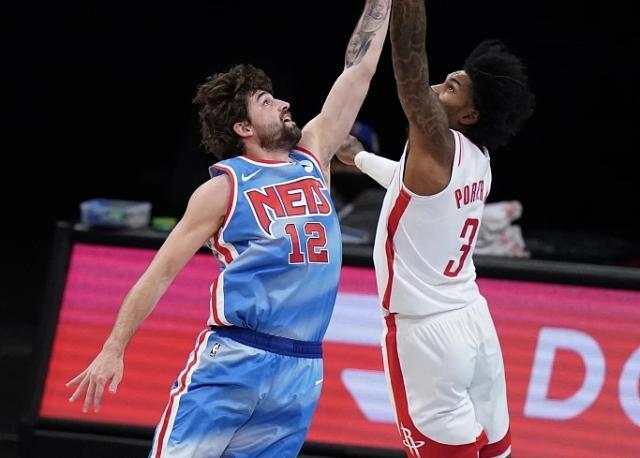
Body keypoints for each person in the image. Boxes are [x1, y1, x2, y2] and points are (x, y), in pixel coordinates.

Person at [65, 2, 391, 457]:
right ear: (243, 127)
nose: (284, 103)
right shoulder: (223, 187)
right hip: (236, 356)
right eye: (266, 102)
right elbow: (159, 274)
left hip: (301, 368)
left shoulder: (313, 155)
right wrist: (113, 348)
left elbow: (358, 71)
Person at [336, 1, 534, 456]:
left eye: (450, 88)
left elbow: (410, 64)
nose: (433, 88)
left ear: (469, 115)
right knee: (496, 451)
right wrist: (360, 158)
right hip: (473, 320)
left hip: (426, 335)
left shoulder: (438, 144)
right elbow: (412, 191)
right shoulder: (478, 160)